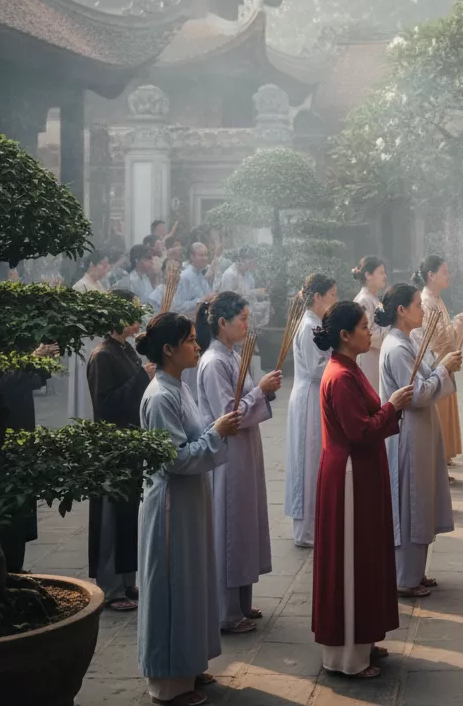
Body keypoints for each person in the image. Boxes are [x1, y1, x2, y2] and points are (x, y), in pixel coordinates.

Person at [136, 313, 241, 706]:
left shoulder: (178, 386)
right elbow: (175, 459)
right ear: (168, 349)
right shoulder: (160, 396)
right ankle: (168, 683)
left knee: (192, 583)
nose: (198, 346)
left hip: (188, 500)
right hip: (170, 505)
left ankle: (189, 664)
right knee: (172, 587)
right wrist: (218, 433)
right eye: (191, 340)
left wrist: (215, 430)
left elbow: (190, 439)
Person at [312, 301, 414, 679]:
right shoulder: (340, 376)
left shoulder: (350, 368)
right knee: (351, 559)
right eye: (363, 326)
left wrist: (388, 409)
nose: (370, 332)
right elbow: (359, 430)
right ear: (344, 335)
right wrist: (392, 406)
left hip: (361, 471)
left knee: (366, 554)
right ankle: (349, 655)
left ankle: (364, 639)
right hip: (349, 475)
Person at [195, 291, 282, 634]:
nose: (247, 324)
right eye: (242, 319)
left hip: (245, 448)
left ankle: (242, 602)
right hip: (227, 451)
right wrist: (259, 390)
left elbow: (244, 398)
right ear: (222, 322)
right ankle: (227, 611)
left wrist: (263, 389)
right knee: (230, 526)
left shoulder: (231, 355)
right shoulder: (213, 362)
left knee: (245, 522)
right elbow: (226, 415)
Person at [378, 284, 461, 597]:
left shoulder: (409, 340)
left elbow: (425, 378)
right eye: (416, 304)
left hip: (421, 429)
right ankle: (405, 577)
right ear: (401, 310)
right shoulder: (397, 348)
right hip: (407, 431)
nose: (422, 309)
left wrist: (442, 367)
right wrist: (444, 369)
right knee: (410, 501)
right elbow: (418, 394)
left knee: (422, 498)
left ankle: (415, 571)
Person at [86, 290, 151, 611]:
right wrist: (142, 378)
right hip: (111, 446)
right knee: (111, 517)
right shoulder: (102, 356)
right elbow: (107, 405)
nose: (137, 318)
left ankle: (127, 580)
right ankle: (110, 587)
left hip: (131, 441)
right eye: (131, 313)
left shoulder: (125, 350)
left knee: (128, 514)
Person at [285, 273, 338, 548]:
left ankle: (316, 524)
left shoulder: (317, 324)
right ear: (317, 296)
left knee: (315, 457)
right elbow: (316, 368)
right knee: (307, 459)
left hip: (316, 394)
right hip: (309, 396)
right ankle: (306, 530)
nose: (335, 300)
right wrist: (339, 359)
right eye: (332, 295)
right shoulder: (309, 326)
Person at [0, 343, 55, 572]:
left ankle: (15, 569)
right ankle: (6, 569)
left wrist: (41, 360)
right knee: (8, 511)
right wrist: (32, 359)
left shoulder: (11, 342)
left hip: (21, 435)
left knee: (20, 512)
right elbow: (2, 386)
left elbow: (31, 380)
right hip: (1, 440)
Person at [412, 254, 463, 468]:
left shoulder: (436, 299)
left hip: (442, 362)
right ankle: (437, 461)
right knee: (438, 413)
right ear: (431, 275)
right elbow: (438, 339)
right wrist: (458, 322)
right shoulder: (427, 301)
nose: (448, 275)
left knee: (445, 412)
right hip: (433, 364)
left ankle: (444, 456)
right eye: (444, 272)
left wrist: (459, 324)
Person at [67, 250, 111, 420]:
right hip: (85, 342)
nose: (106, 269)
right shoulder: (80, 287)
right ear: (92, 265)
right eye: (103, 265)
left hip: (99, 340)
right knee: (85, 383)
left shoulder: (99, 284)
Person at [352, 256, 387, 390]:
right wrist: (391, 335)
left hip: (376, 356)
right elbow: (366, 333)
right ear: (368, 275)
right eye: (381, 272)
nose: (384, 276)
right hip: (368, 358)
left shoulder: (374, 299)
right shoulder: (363, 300)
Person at [217, 247, 268, 327]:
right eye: (248, 262)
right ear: (240, 260)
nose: (249, 266)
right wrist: (255, 293)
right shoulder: (229, 275)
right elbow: (227, 299)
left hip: (247, 307)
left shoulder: (248, 274)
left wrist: (259, 294)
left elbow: (249, 294)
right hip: (233, 312)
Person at [176, 243, 212, 315]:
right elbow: (179, 307)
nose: (205, 258)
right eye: (201, 255)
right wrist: (201, 300)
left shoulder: (200, 275)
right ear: (192, 257)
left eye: (206, 255)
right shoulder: (185, 277)